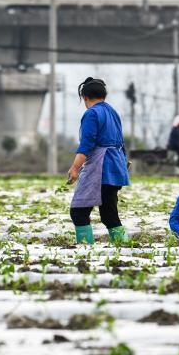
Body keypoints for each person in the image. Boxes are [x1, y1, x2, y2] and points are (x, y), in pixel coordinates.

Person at [67, 77, 130, 245]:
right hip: (116, 166)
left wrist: (74, 168)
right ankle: (123, 247)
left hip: (100, 167)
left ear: (85, 97)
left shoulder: (92, 113)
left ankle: (86, 250)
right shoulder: (112, 112)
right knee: (109, 214)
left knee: (78, 212)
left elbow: (87, 145)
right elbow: (120, 140)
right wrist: (124, 162)